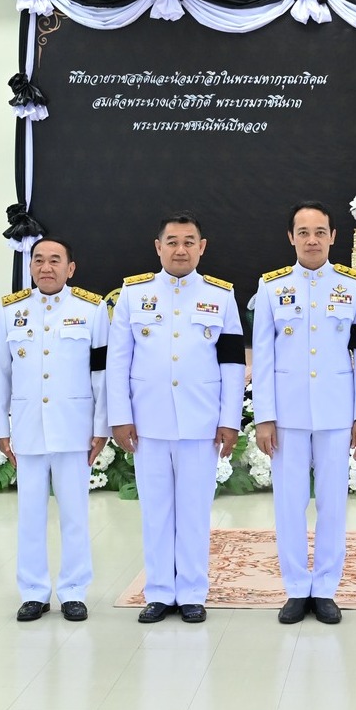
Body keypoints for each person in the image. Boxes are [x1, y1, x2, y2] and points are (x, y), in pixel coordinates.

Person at [107, 213, 244, 624]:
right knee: (156, 510)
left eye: (189, 241)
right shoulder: (133, 295)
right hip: (147, 423)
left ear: (202, 247)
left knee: (194, 510)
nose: (180, 249)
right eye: (172, 241)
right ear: (158, 247)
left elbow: (233, 363)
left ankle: (192, 593)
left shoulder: (221, 295)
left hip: (201, 423)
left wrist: (230, 419)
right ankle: (160, 592)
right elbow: (118, 361)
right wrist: (120, 416)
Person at [252, 202, 356, 625]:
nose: (311, 239)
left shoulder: (353, 286)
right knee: (288, 503)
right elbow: (263, 357)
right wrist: (264, 416)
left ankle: (324, 587)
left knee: (332, 503)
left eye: (320, 231)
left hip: (336, 411)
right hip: (286, 414)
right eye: (303, 232)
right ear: (291, 237)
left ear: (333, 236)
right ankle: (295, 588)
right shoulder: (271, 288)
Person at [0, 236, 108, 622]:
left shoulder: (92, 310)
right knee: (29, 514)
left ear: (70, 268)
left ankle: (74, 590)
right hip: (27, 428)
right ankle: (33, 591)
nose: (46, 267)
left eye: (55, 260)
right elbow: (1, 374)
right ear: (29, 267)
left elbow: (100, 374)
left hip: (74, 429)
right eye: (38, 260)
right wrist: (0, 426)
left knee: (74, 514)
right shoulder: (12, 311)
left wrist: (101, 426)